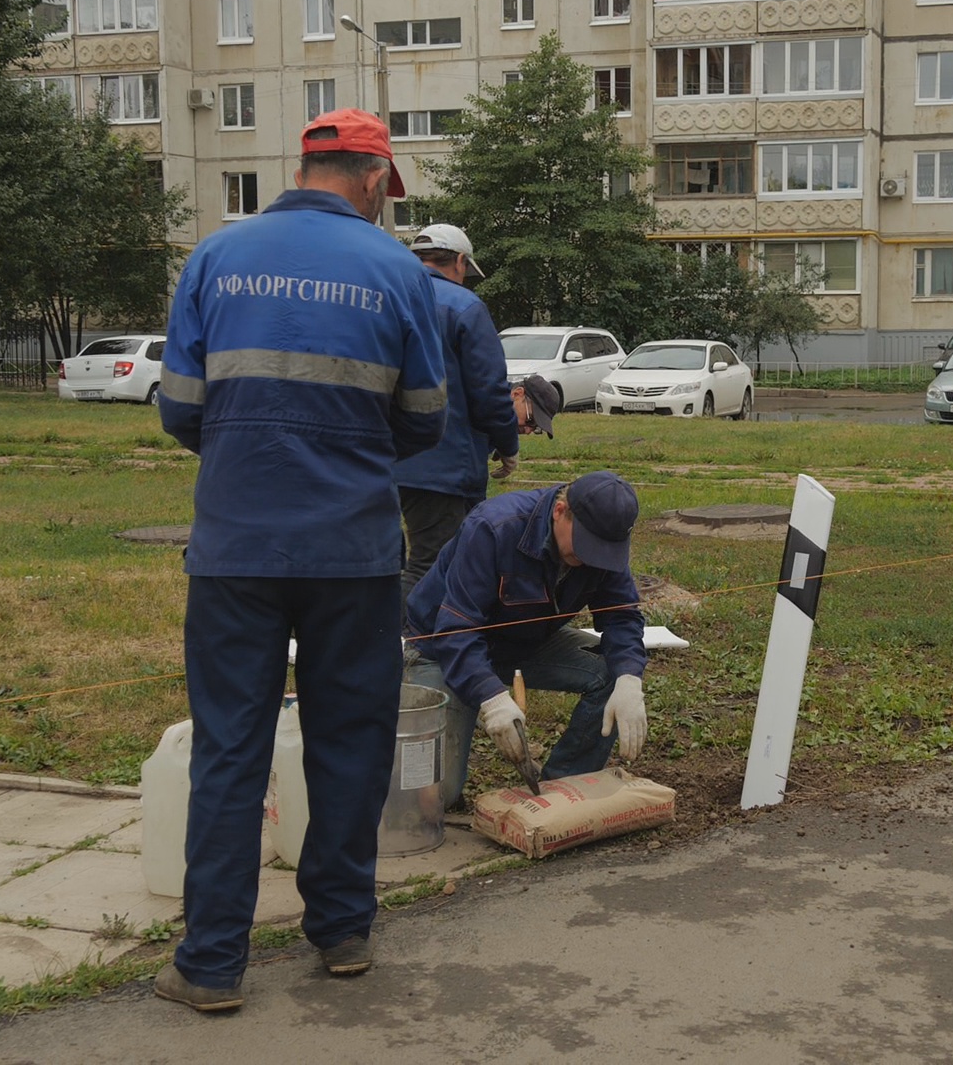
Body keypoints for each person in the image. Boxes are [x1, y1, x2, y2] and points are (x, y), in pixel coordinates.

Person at [152, 108, 448, 1011]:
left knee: (231, 746)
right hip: (353, 550)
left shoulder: (213, 258)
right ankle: (344, 932)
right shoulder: (399, 271)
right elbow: (427, 418)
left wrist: (252, 447)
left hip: (236, 547)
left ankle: (208, 967)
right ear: (372, 179)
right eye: (384, 192)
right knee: (350, 743)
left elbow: (179, 409)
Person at [404, 471, 648, 801]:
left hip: (526, 641)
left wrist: (630, 677)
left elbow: (622, 615)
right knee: (435, 798)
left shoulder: (603, 546)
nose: (591, 560)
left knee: (612, 674)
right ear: (560, 511)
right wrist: (491, 698)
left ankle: (561, 791)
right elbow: (455, 628)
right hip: (441, 647)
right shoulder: (494, 528)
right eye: (585, 548)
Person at [393, 224, 555, 604]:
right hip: (442, 466)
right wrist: (508, 445)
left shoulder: (387, 298)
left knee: (398, 559)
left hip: (387, 460)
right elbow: (489, 391)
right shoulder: (465, 307)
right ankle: (389, 641)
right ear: (461, 262)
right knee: (432, 564)